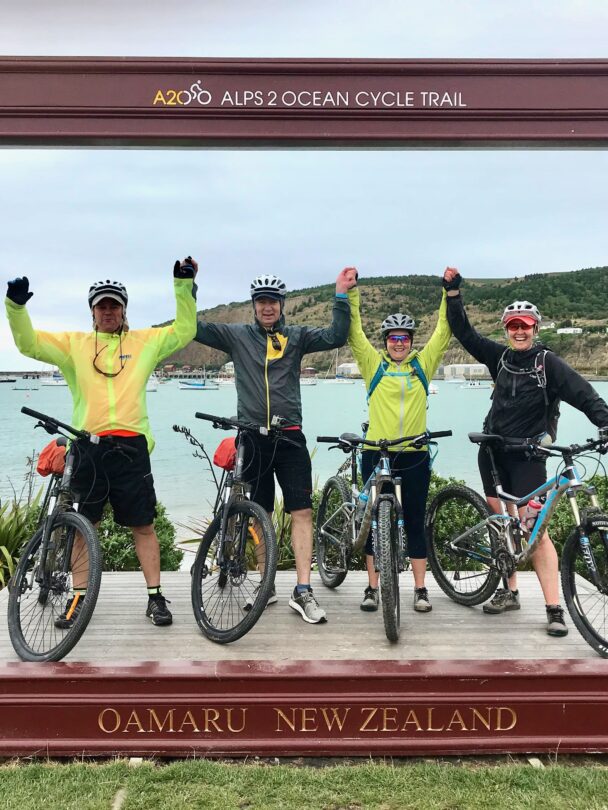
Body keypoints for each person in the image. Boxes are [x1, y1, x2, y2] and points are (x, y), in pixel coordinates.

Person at [5, 259, 198, 628]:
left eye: (114, 305)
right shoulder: (74, 346)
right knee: (82, 526)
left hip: (131, 449)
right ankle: (78, 599)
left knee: (143, 526)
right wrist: (16, 306)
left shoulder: (145, 342)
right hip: (87, 448)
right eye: (101, 305)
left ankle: (155, 597)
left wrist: (182, 284)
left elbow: (186, 329)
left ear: (124, 310)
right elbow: (28, 344)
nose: (108, 311)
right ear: (92, 311)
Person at [444, 268, 608, 636]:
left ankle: (554, 608)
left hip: (529, 457)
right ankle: (509, 591)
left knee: (536, 531)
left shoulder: (548, 363)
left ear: (535, 329)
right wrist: (453, 295)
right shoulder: (498, 357)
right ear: (507, 329)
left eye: (526, 326)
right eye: (514, 326)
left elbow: (585, 395)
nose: (520, 331)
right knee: (503, 525)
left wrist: (604, 422)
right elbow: (465, 334)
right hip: (492, 452)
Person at [193, 263, 357, 624]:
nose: (268, 307)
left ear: (283, 304)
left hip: (289, 437)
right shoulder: (237, 336)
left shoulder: (296, 337)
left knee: (301, 512)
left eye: (274, 301)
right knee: (260, 513)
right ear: (253, 305)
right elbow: (194, 328)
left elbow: (335, 337)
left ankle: (303, 590)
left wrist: (341, 294)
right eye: (261, 301)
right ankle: (266, 585)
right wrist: (188, 286)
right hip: (252, 437)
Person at [347, 268, 452, 613]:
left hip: (415, 454)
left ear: (411, 341)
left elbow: (443, 330)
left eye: (404, 338)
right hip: (377, 454)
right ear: (385, 342)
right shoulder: (373, 367)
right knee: (375, 521)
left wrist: (447, 291)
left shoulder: (422, 366)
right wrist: (352, 292)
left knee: (416, 519)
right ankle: (372, 588)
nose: (398, 343)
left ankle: (421, 590)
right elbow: (354, 332)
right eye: (393, 338)